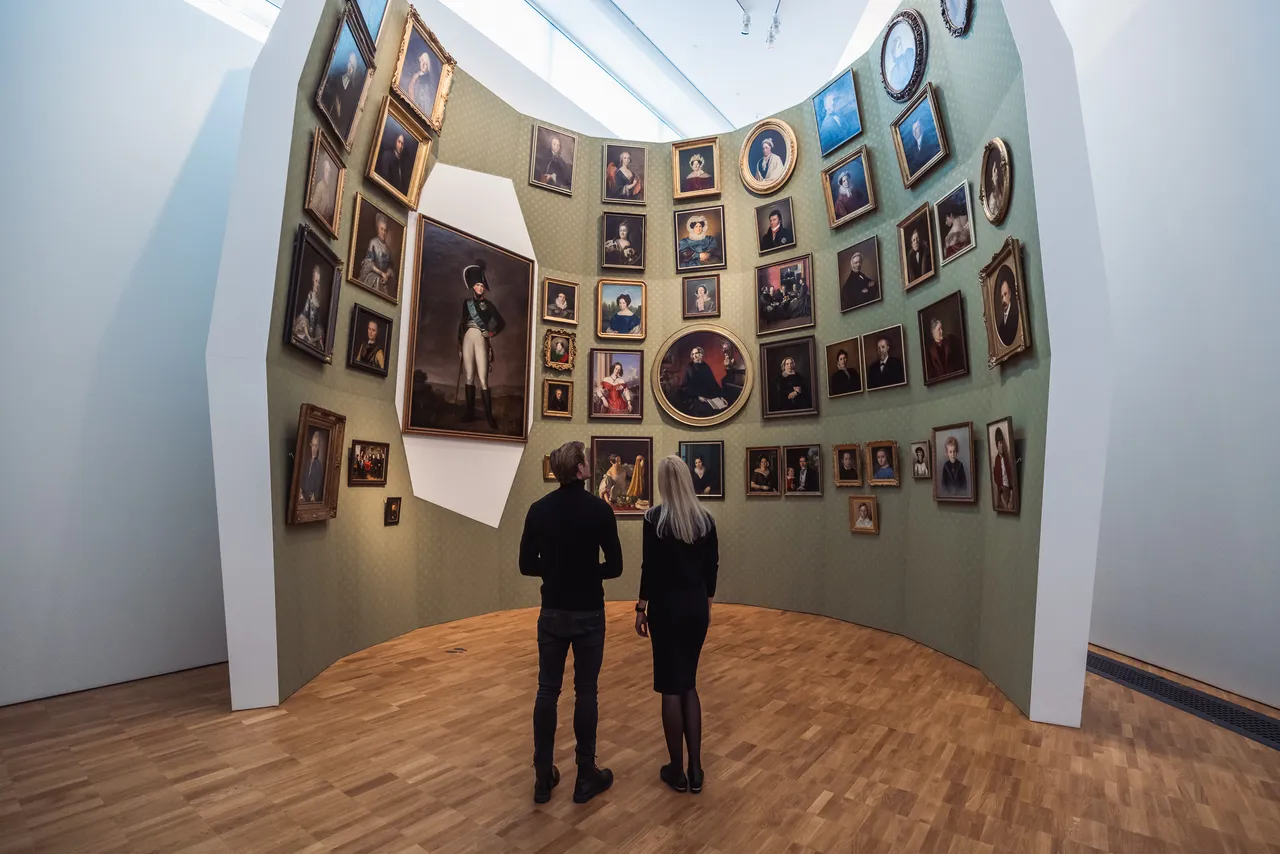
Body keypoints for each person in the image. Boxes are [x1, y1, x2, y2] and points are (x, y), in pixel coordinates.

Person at [519, 441, 622, 805]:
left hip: (552, 611)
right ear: (579, 469)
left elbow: (526, 565)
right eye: (586, 462)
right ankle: (585, 775)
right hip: (589, 611)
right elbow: (616, 567)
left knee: (547, 691)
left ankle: (543, 776)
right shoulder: (599, 510)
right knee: (586, 691)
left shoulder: (539, 510)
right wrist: (587, 571)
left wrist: (556, 569)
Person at [635, 456, 718, 795]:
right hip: (696, 608)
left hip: (666, 609)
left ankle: (676, 770)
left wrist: (641, 607)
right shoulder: (705, 521)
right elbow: (711, 568)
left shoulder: (653, 519)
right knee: (689, 684)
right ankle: (696, 769)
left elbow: (649, 569)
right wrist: (707, 607)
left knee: (670, 686)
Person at [457, 260, 506, 429]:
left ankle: (488, 417)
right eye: (478, 285)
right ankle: (469, 413)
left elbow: (500, 322)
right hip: (467, 339)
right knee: (469, 377)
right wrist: (459, 345)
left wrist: (490, 333)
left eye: (482, 285)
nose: (480, 288)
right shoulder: (466, 304)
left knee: (483, 380)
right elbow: (462, 325)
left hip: (480, 339)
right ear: (473, 286)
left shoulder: (489, 306)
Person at [323, 48, 363, 136]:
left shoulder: (352, 91)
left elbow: (345, 118)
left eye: (353, 65)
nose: (350, 68)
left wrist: (338, 110)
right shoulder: (335, 77)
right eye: (349, 63)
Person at [678, 347, 727, 417]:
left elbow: (713, 383)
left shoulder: (706, 366)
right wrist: (698, 397)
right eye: (693, 354)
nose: (694, 356)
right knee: (704, 411)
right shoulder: (689, 367)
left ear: (701, 354)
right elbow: (685, 386)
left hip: (708, 397)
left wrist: (721, 396)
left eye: (696, 353)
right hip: (695, 398)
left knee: (719, 410)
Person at [358, 214, 397, 296]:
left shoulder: (387, 249)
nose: (383, 232)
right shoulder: (373, 242)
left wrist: (387, 275)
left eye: (385, 230)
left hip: (383, 280)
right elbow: (369, 263)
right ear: (377, 229)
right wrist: (381, 273)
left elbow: (390, 266)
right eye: (382, 229)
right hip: (372, 278)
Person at [293, 265, 327, 349]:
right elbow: (304, 315)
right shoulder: (310, 296)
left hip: (315, 332)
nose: (318, 284)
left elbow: (318, 322)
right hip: (306, 330)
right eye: (316, 281)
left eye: (319, 282)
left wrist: (318, 335)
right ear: (313, 280)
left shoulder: (319, 300)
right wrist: (308, 336)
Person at [408, 48, 439, 118]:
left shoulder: (431, 79)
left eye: (426, 62)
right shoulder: (415, 76)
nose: (424, 64)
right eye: (422, 61)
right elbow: (411, 88)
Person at [299, 430, 326, 502]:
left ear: (318, 447)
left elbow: (318, 487)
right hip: (302, 498)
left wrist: (314, 497)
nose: (313, 449)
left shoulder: (319, 466)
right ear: (310, 445)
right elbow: (302, 480)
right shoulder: (307, 462)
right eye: (313, 445)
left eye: (316, 446)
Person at [992, 427, 1016, 510]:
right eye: (999, 443)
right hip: (1002, 490)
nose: (1001, 445)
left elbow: (1010, 474)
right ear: (997, 445)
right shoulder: (996, 460)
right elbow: (996, 478)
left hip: (1008, 488)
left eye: (1002, 443)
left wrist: (1012, 491)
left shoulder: (1006, 458)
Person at [995, 270, 1020, 347]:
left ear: (1010, 294)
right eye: (1002, 296)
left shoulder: (1016, 314)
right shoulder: (1001, 326)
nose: (1003, 300)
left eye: (1005, 294)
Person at [310, 157, 337, 223]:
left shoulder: (331, 188)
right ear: (323, 172)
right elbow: (313, 207)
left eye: (329, 171)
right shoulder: (320, 186)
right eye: (326, 170)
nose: (328, 173)